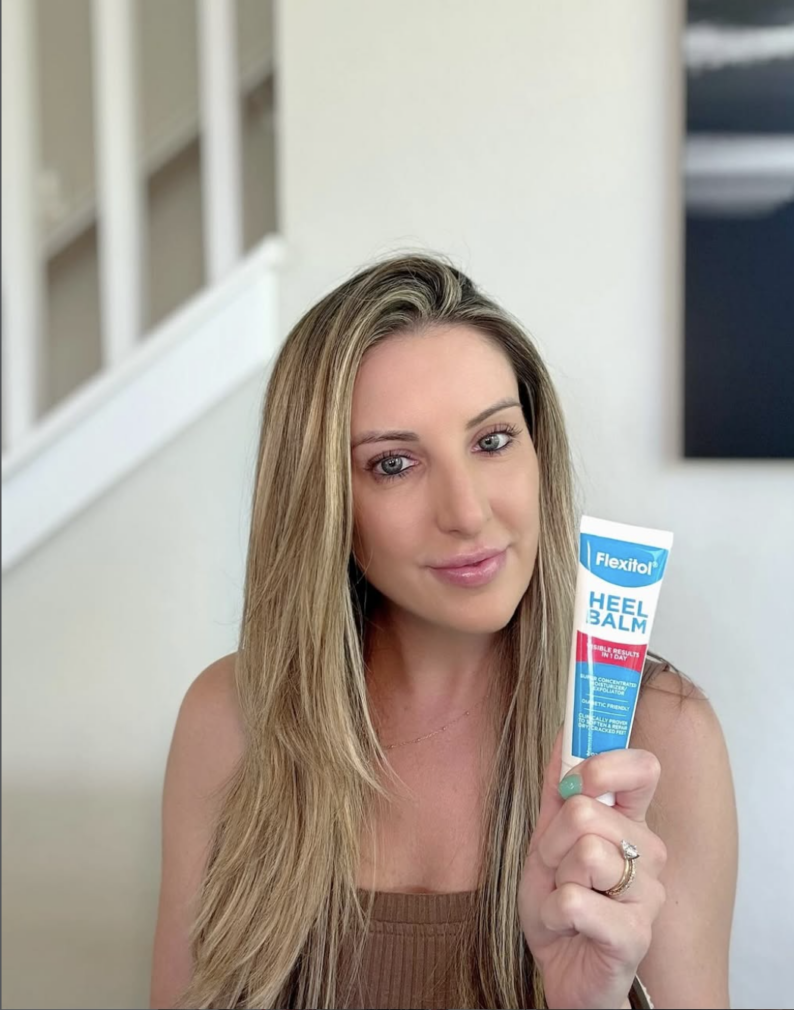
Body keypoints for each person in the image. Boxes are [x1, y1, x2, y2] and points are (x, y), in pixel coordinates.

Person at [149, 253, 738, 1009]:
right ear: (324, 503)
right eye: (394, 464)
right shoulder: (232, 718)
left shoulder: (658, 738)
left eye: (492, 441)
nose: (466, 512)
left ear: (538, 450)